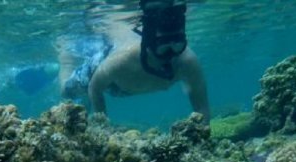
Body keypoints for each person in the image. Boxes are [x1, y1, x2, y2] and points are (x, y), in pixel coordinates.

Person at [59, 0, 210, 122]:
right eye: (163, 45)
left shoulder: (188, 62)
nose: (170, 53)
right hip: (104, 76)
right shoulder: (121, 60)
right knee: (67, 91)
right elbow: (95, 88)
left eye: (178, 44)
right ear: (148, 42)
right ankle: (66, 62)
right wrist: (103, 127)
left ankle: (85, 100)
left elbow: (202, 109)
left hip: (126, 86)